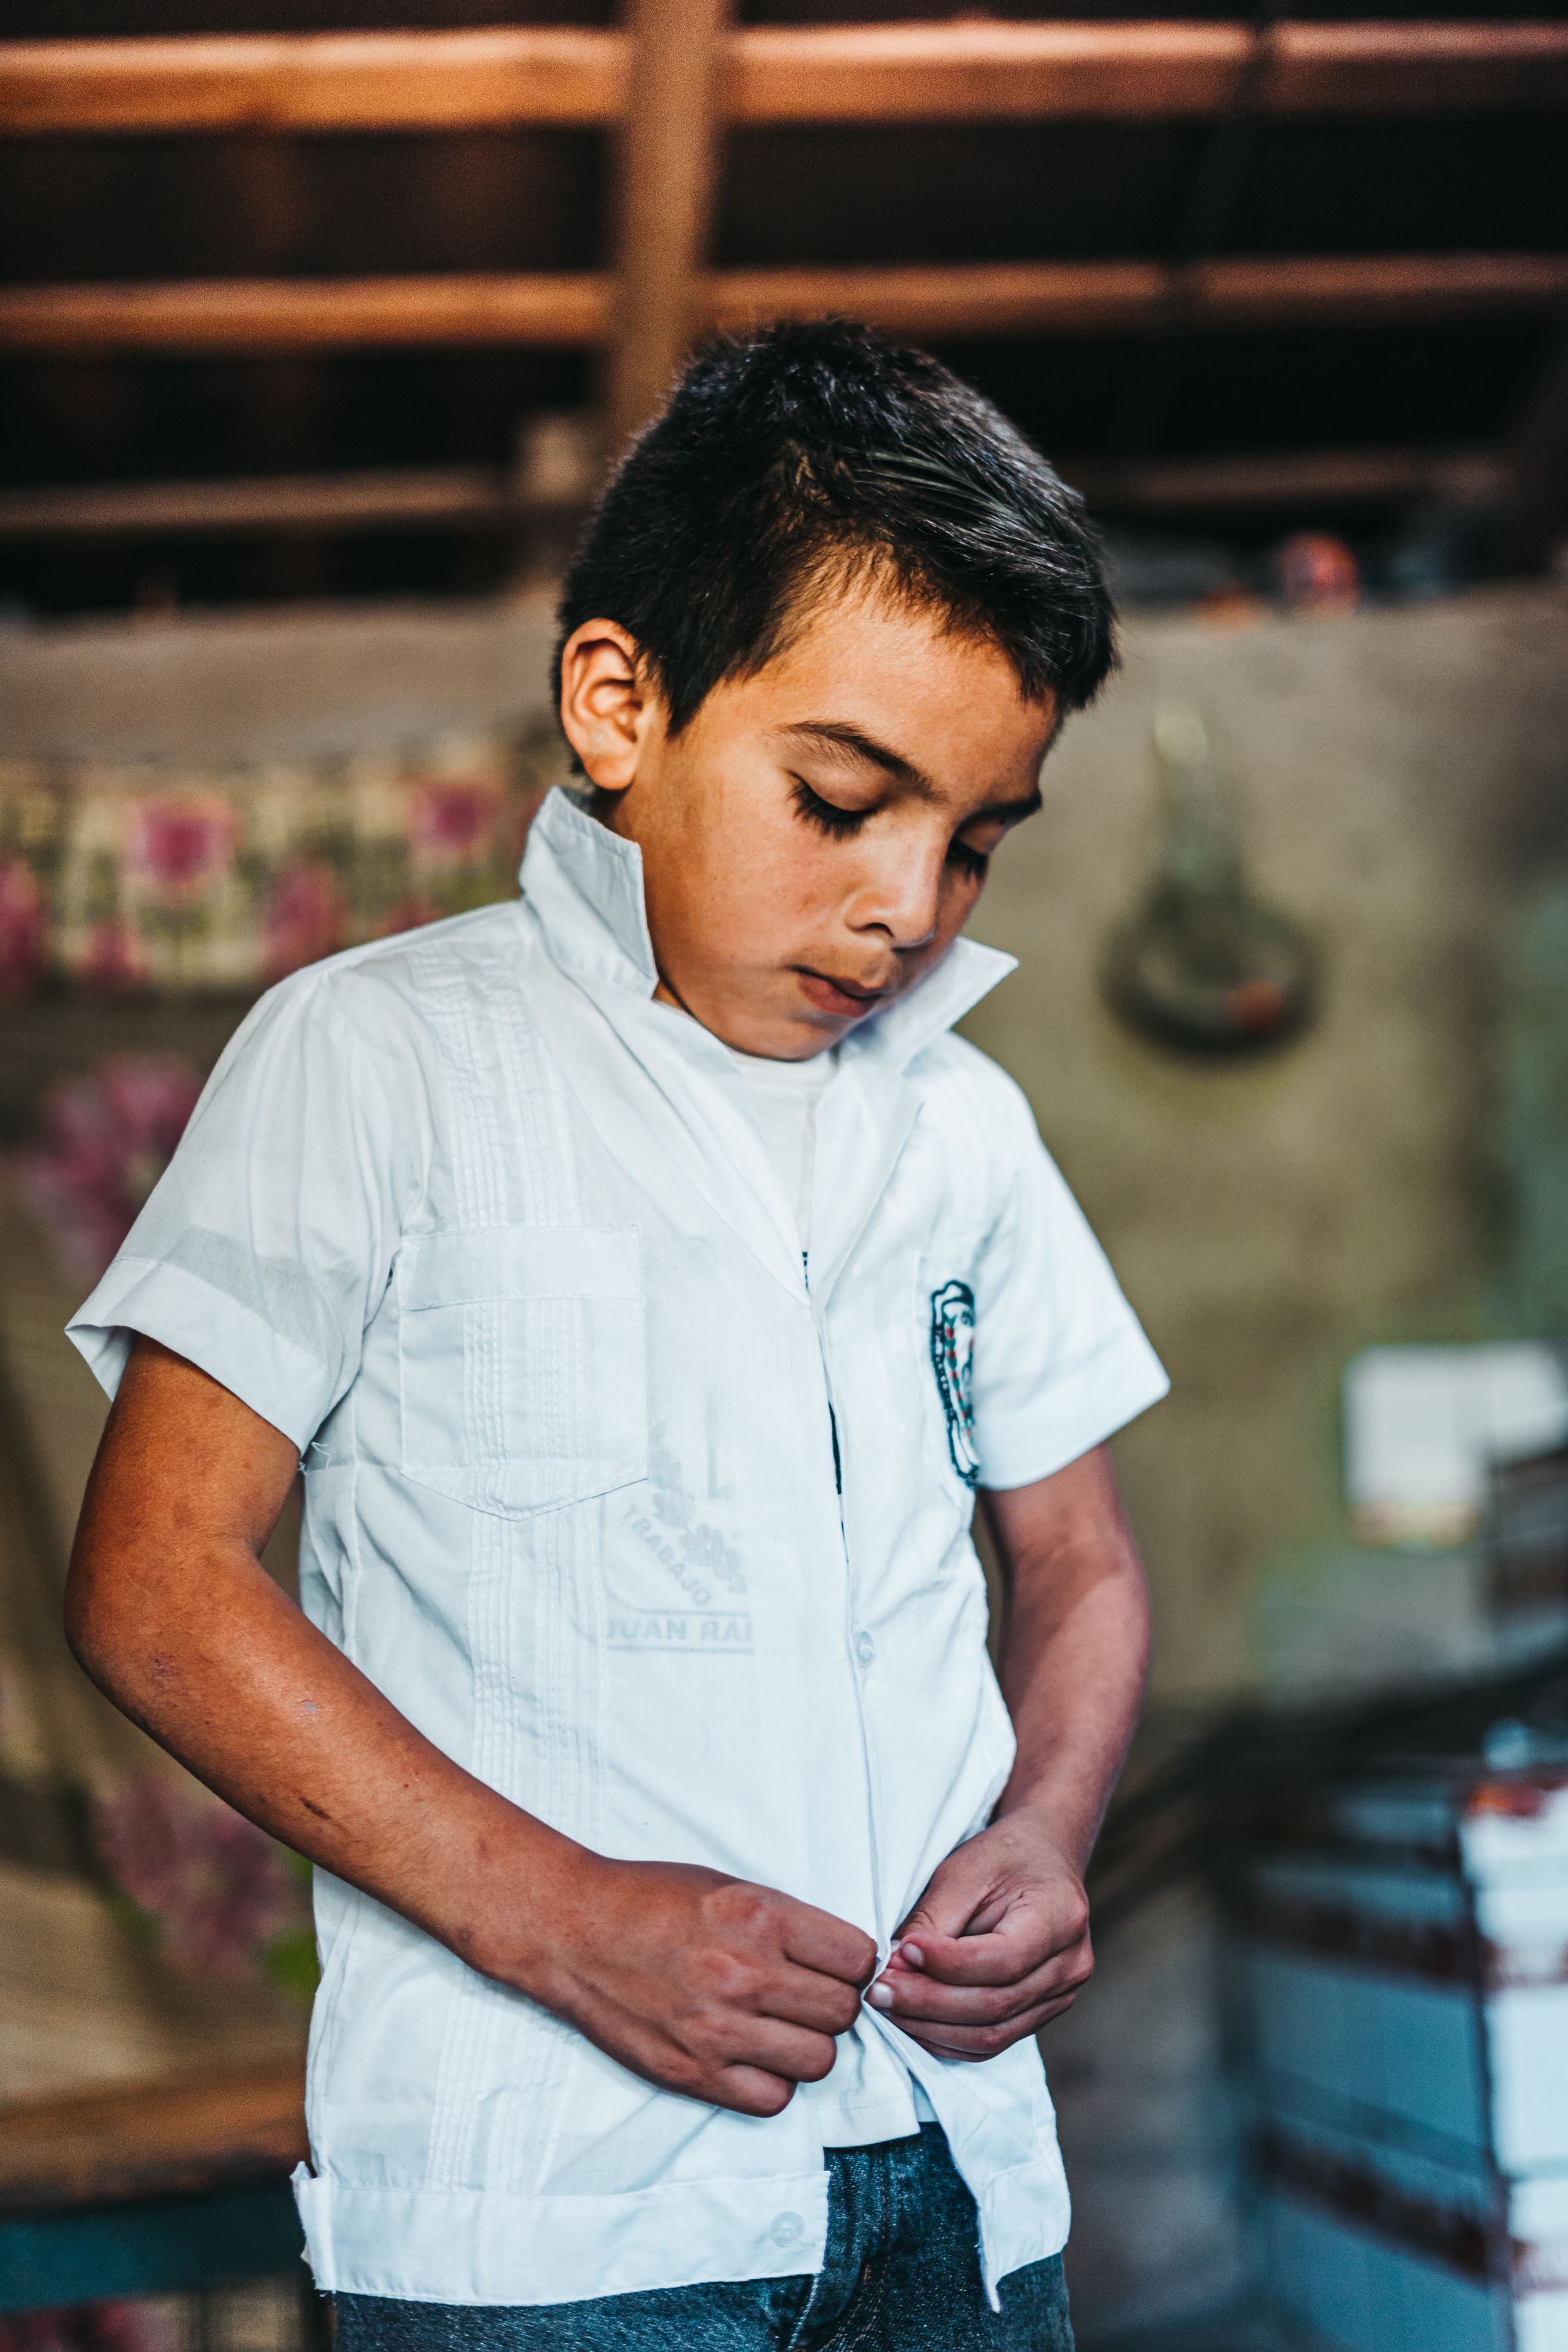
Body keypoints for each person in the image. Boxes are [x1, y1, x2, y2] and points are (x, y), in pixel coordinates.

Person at [63, 320, 1168, 2352]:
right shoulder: (378, 1060)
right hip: (555, 2214)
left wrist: (1047, 1825)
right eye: (843, 799)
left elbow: (1077, 1557)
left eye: (982, 837)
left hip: (961, 2170)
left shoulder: (965, 1129)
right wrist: (561, 1923)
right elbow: (155, 1586)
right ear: (619, 703)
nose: (911, 904)